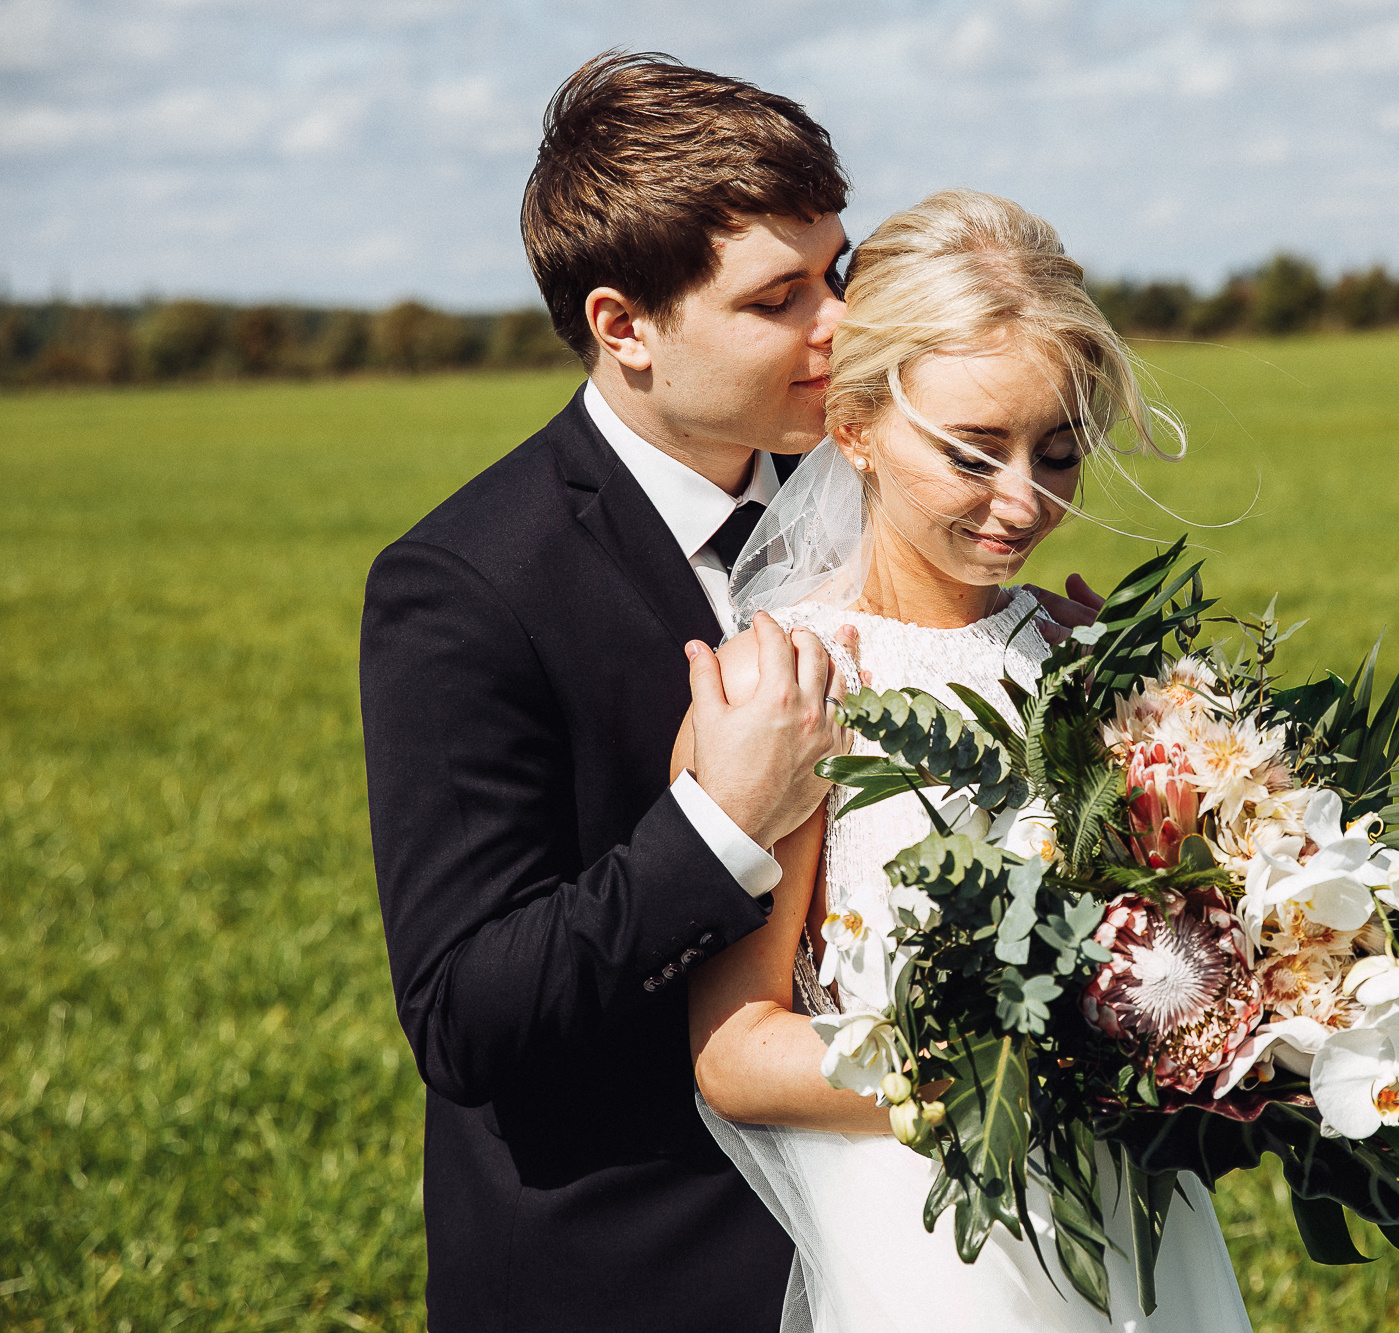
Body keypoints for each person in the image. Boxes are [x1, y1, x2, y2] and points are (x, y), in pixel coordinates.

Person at [680, 190, 1254, 1333]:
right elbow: (735, 1052)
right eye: (973, 451)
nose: (1022, 500)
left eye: (1057, 451)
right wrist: (990, 1066)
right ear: (852, 427)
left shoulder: (1083, 656)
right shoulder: (794, 684)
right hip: (930, 1233)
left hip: (1123, 1213)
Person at [358, 53, 852, 1332]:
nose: (838, 325)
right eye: (778, 297)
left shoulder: (859, 506)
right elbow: (465, 1014)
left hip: (882, 1239)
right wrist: (718, 830)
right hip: (632, 1276)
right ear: (623, 325)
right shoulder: (462, 586)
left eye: (836, 274)